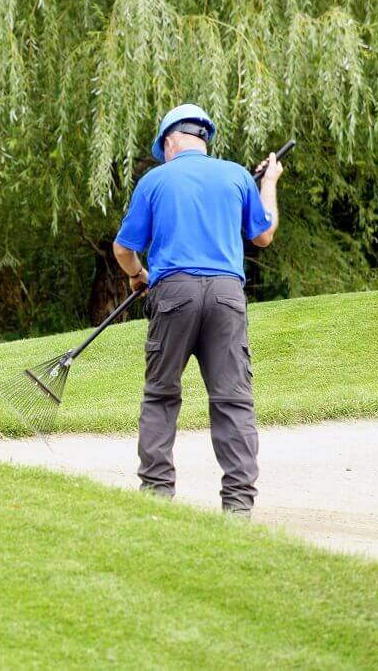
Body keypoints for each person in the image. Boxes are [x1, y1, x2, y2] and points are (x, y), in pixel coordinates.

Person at [111, 104, 283, 518]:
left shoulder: (155, 180)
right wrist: (270, 182)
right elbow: (264, 235)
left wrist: (138, 275)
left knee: (161, 394)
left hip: (173, 293)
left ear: (170, 142)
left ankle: (156, 495)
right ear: (203, 138)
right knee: (232, 399)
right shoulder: (238, 175)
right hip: (227, 296)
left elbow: (123, 248)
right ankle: (238, 506)